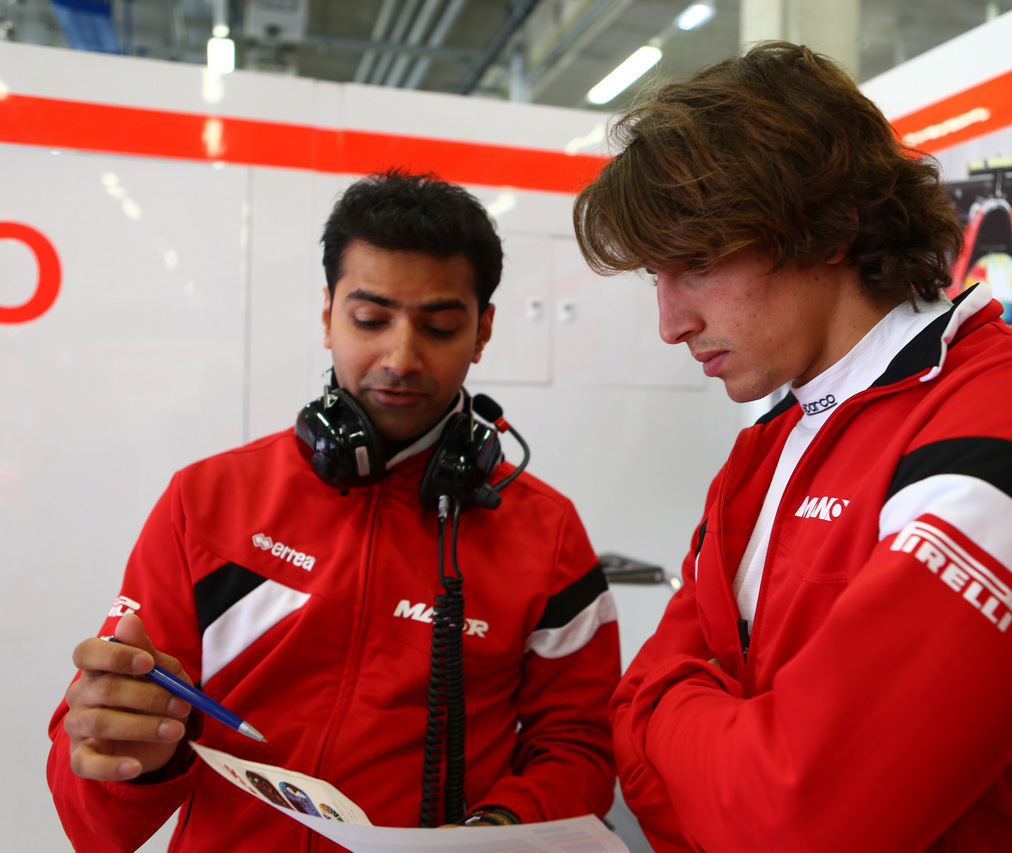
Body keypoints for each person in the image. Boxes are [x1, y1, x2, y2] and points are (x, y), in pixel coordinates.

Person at [573, 42, 1012, 852]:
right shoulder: (766, 446)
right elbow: (629, 736)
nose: (670, 323)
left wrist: (671, 716)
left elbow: (802, 820)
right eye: (657, 280)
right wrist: (704, 738)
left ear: (830, 230)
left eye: (698, 265)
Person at [48, 169, 620, 851]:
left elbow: (580, 745)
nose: (401, 357)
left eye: (438, 325)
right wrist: (128, 750)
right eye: (370, 319)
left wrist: (498, 832)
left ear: (483, 328)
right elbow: (96, 818)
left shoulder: (548, 533)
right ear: (326, 315)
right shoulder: (206, 501)